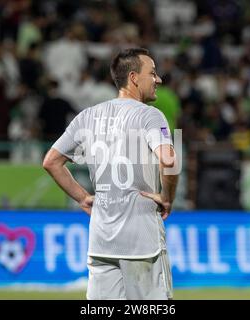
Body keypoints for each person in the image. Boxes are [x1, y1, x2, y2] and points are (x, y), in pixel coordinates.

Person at [43, 48, 179, 300]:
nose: (158, 79)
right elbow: (169, 160)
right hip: (142, 240)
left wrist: (83, 198)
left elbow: (51, 162)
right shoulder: (150, 115)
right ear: (134, 78)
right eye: (153, 73)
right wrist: (167, 196)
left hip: (101, 240)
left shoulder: (87, 116)